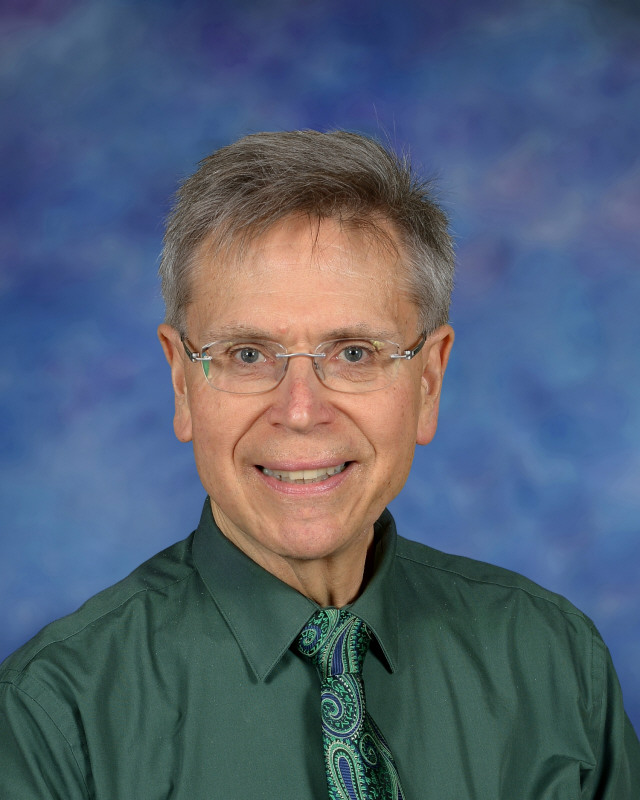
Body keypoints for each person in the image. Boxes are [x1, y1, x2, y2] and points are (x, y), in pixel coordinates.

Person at [1, 130, 638, 799]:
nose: (300, 410)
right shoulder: (55, 715)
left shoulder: (552, 662)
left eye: (355, 353)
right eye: (247, 354)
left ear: (428, 380)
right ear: (182, 381)